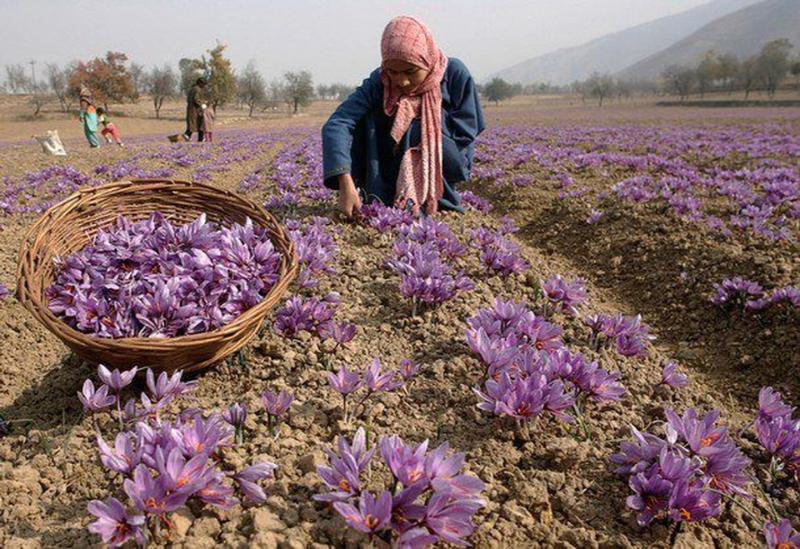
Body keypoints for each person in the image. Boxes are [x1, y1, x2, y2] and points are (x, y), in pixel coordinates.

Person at [322, 15, 485, 218]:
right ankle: (379, 191)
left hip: (445, 159)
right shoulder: (380, 80)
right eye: (393, 72)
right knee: (367, 117)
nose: (402, 81)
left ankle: (431, 198)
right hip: (391, 160)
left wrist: (419, 118)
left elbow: (466, 130)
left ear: (427, 60)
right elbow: (338, 123)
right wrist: (344, 180)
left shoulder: (453, 73)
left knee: (415, 122)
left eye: (411, 71)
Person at [184, 77, 208, 142]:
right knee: (199, 124)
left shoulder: (192, 89)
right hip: (195, 110)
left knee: (194, 125)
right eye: (203, 84)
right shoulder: (197, 89)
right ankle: (197, 138)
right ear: (200, 83)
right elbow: (196, 100)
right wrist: (203, 104)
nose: (204, 86)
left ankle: (200, 138)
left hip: (191, 109)